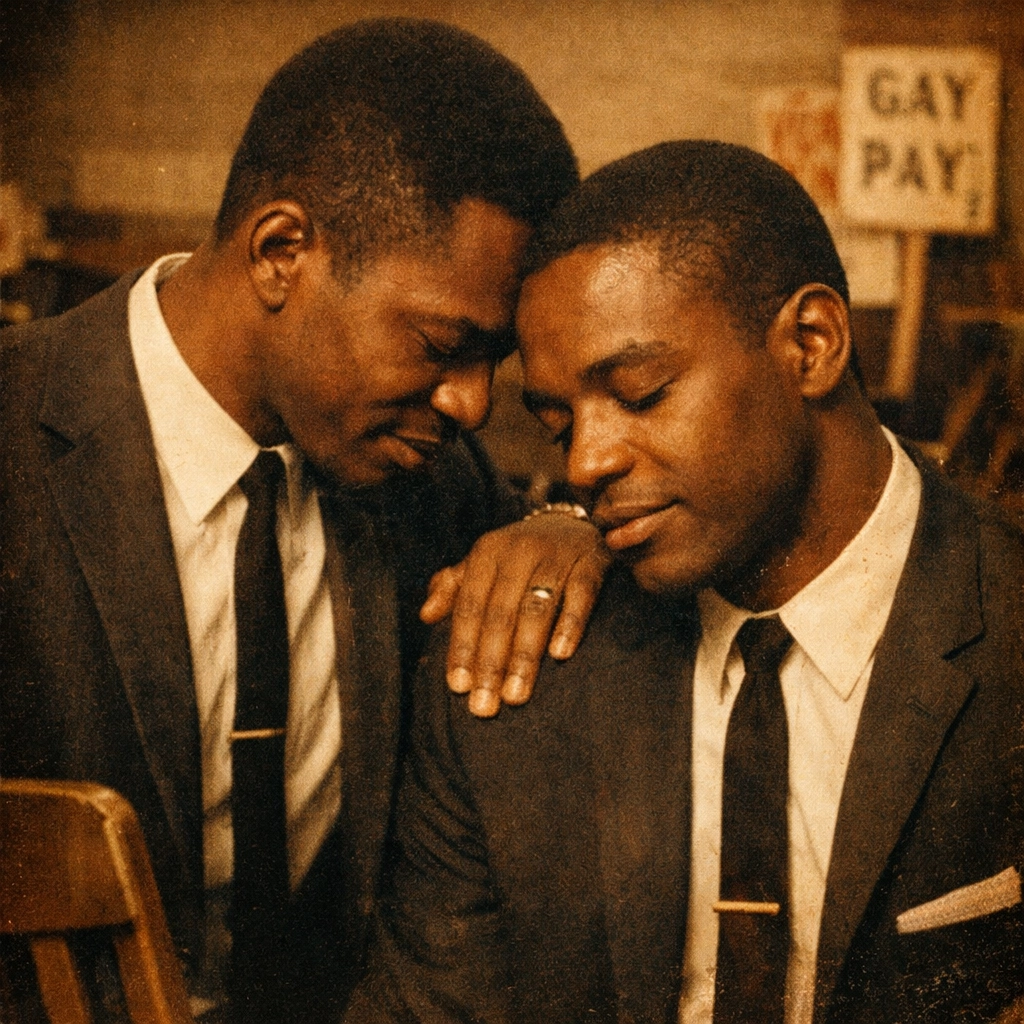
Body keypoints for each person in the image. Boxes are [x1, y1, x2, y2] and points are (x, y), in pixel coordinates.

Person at [0, 20, 611, 1024]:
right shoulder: (17, 446)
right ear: (283, 250)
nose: (467, 403)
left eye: (491, 359)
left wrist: (565, 520)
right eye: (442, 343)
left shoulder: (433, 482)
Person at [346, 141, 1024, 1024]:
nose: (586, 463)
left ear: (810, 344)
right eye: (557, 426)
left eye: (640, 392)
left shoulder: (1004, 616)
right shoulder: (511, 673)